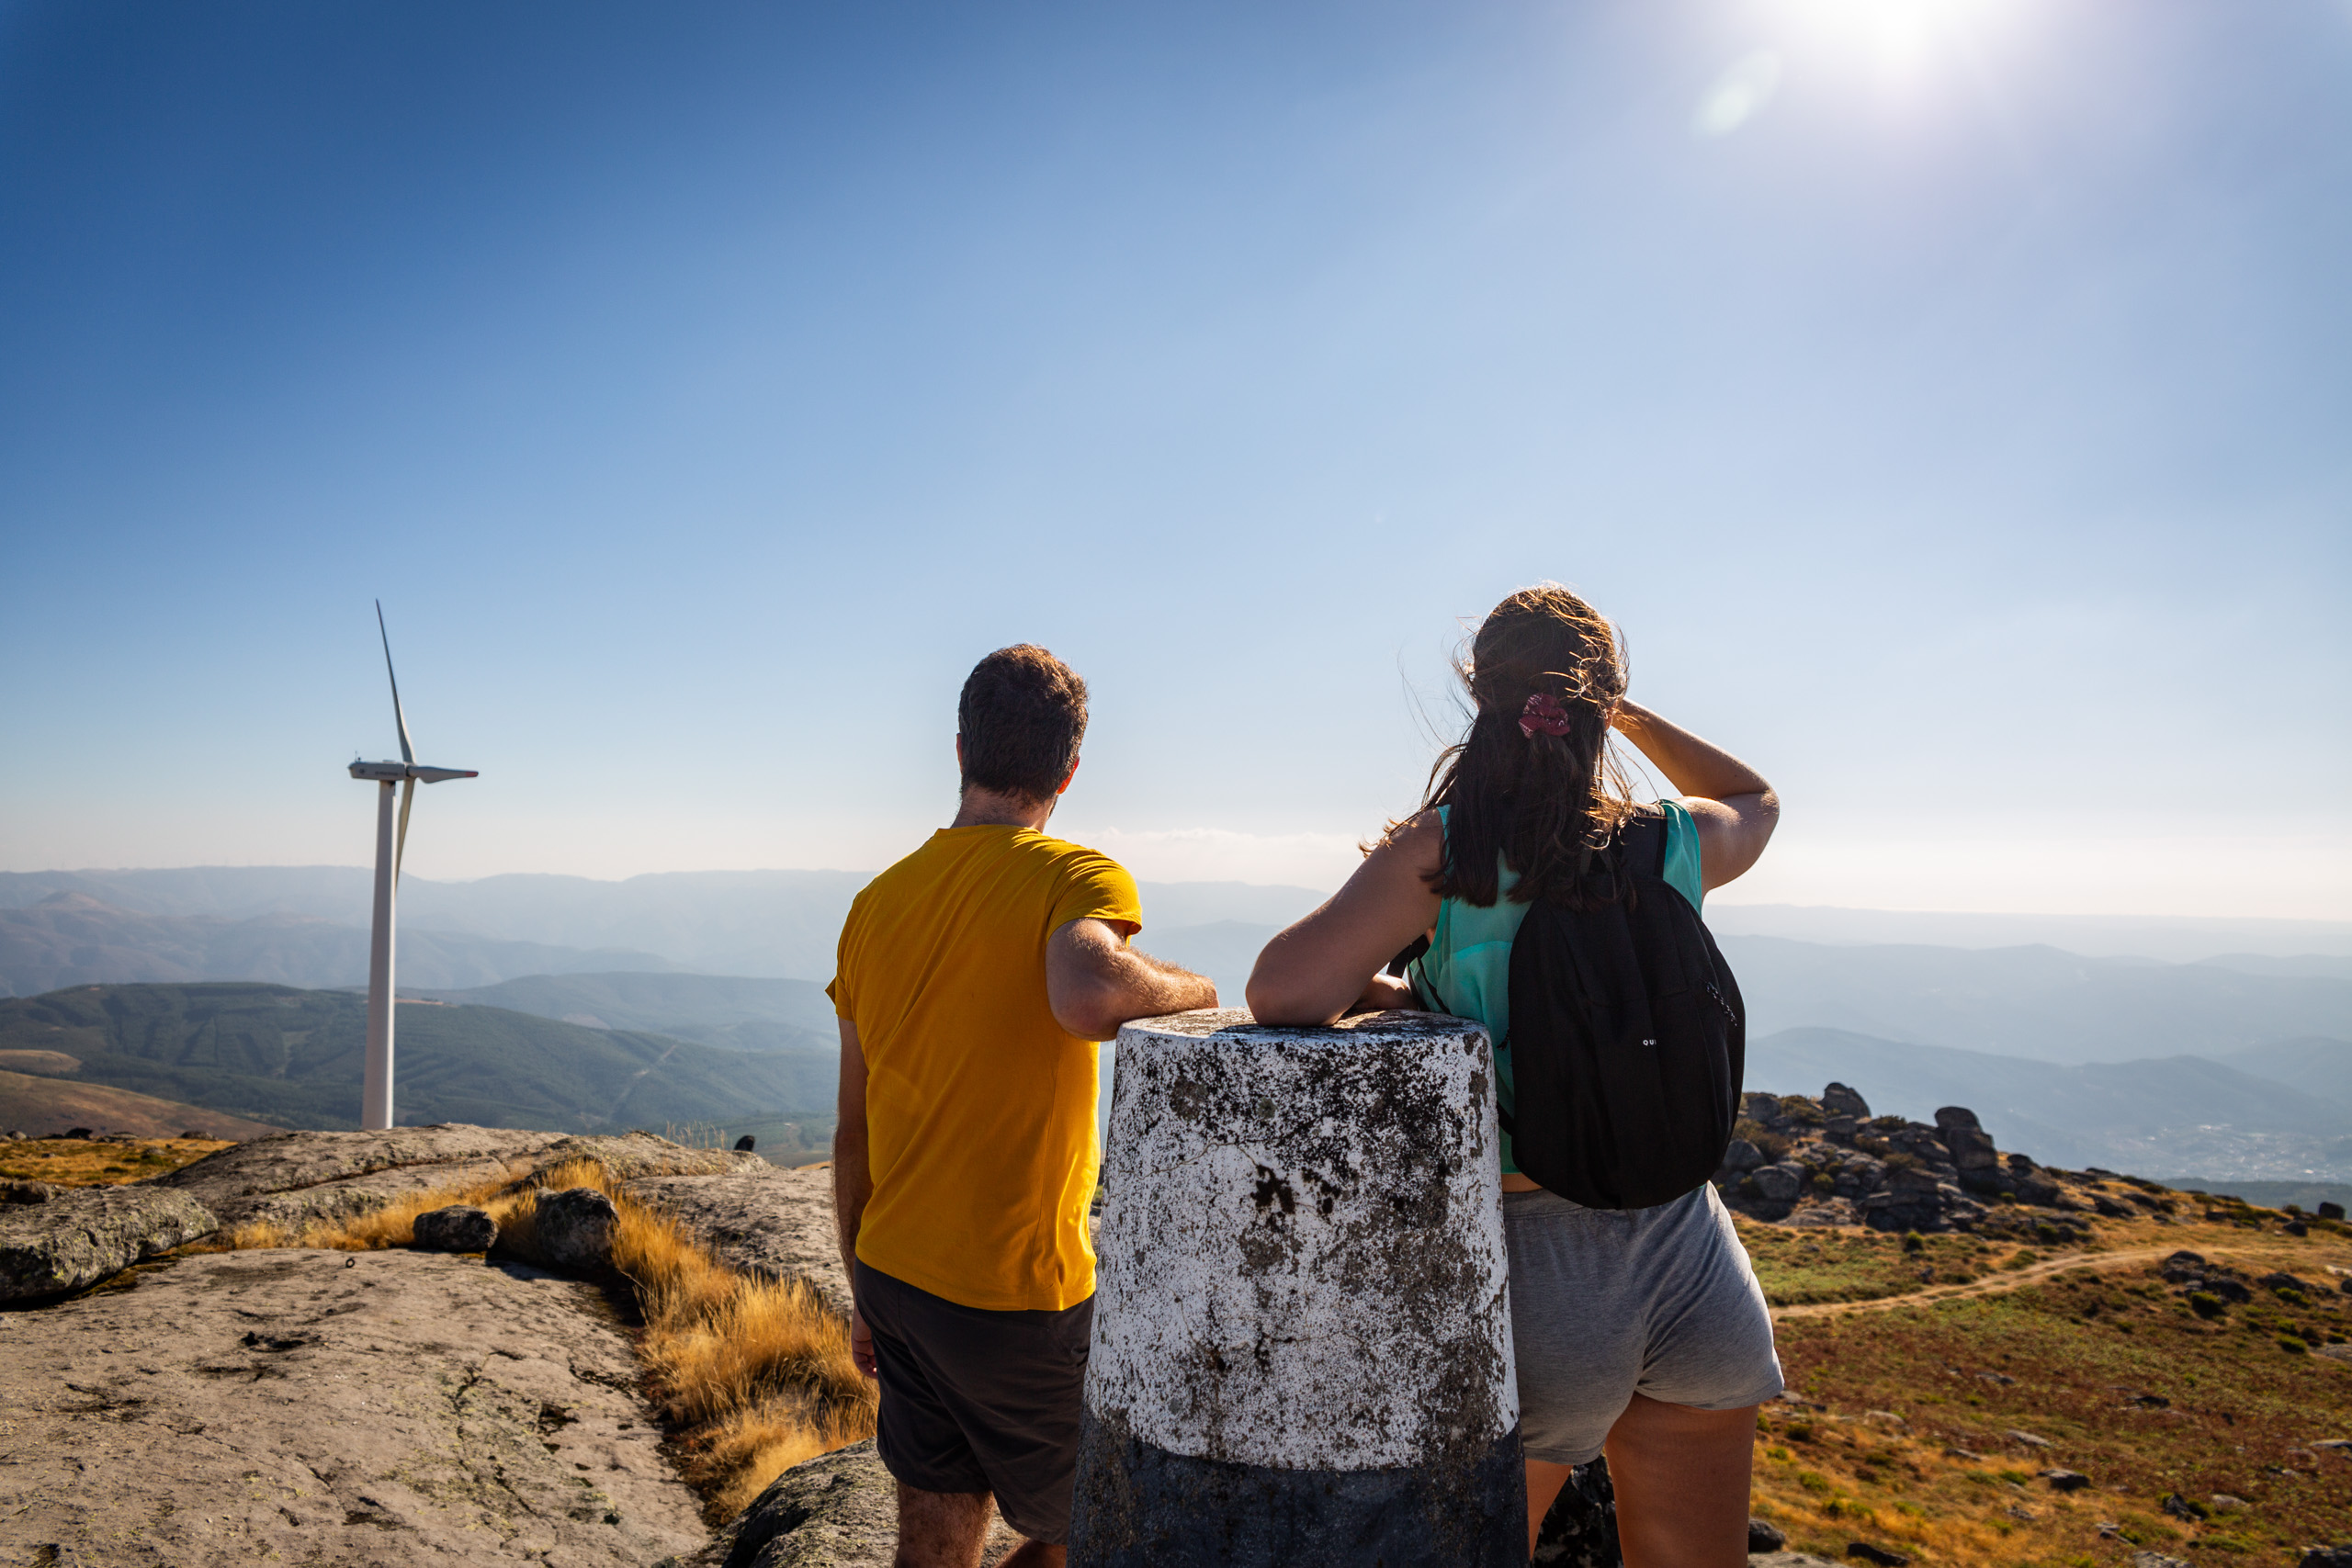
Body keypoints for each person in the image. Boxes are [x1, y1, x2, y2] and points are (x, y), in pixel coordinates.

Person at [1246, 585, 1783, 1568]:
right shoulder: (1664, 843)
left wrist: (1419, 1002)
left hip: (1537, 1275)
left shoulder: (1444, 853)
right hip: (1689, 1253)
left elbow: (1282, 991)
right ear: (1595, 704)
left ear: (1480, 697)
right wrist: (1628, 713)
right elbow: (1757, 800)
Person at [830, 644, 1218, 1568]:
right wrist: (1197, 991)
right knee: (1105, 1527)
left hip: (894, 1271)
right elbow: (1088, 989)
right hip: (1016, 1291)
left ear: (960, 750)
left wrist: (861, 1294)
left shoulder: (874, 905)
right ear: (1069, 770)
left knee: (934, 1527)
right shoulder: (1074, 876)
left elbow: (854, 1133)